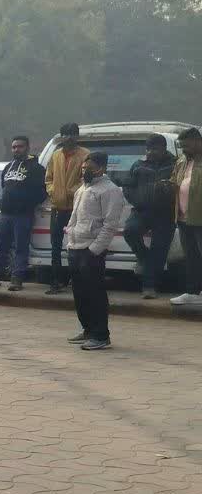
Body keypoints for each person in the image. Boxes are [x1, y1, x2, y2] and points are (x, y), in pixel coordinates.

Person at [65, 152, 127, 351]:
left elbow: (110, 225)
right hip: (75, 247)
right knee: (80, 294)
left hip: (91, 251)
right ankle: (88, 330)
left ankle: (101, 336)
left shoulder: (111, 191)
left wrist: (94, 250)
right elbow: (74, 218)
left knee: (95, 293)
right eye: (83, 168)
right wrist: (70, 238)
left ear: (101, 168)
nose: (84, 172)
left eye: (89, 168)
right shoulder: (82, 189)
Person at [0, 136, 47, 291]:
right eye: (14, 147)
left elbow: (42, 193)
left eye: (20, 146)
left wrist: (25, 203)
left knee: (21, 248)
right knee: (1, 247)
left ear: (27, 147)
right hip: (5, 214)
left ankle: (17, 278)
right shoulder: (8, 167)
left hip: (23, 215)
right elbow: (4, 187)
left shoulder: (36, 168)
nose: (16, 149)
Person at [121, 134, 177, 299]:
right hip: (142, 210)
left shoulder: (175, 165)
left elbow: (179, 186)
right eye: (149, 149)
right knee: (130, 231)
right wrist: (137, 200)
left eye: (155, 149)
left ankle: (149, 287)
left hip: (166, 213)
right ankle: (144, 258)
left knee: (159, 250)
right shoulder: (138, 165)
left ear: (163, 149)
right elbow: (127, 186)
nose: (151, 152)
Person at [44, 123, 91, 294]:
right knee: (55, 245)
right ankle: (56, 281)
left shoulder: (86, 155)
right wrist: (54, 191)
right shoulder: (55, 155)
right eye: (66, 134)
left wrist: (71, 191)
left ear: (77, 136)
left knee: (78, 246)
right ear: (61, 136)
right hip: (57, 207)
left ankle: (78, 282)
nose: (70, 137)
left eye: (73, 134)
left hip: (77, 208)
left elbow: (87, 179)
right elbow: (48, 178)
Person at [170, 127, 202, 306]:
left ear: (198, 142)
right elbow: (176, 179)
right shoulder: (182, 160)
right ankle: (193, 291)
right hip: (184, 217)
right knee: (191, 257)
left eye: (187, 146)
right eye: (182, 146)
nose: (184, 150)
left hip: (200, 218)